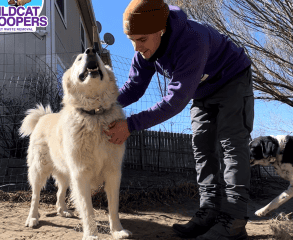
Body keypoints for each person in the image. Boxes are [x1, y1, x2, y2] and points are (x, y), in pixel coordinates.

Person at [103, 0, 254, 239]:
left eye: (141, 39)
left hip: (232, 78)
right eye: (131, 39)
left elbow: (175, 101)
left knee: (231, 145)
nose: (136, 47)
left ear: (160, 30)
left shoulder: (193, 39)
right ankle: (210, 212)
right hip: (202, 91)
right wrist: (104, 107)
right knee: (203, 147)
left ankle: (234, 220)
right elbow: (133, 87)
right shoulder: (145, 50)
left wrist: (130, 125)